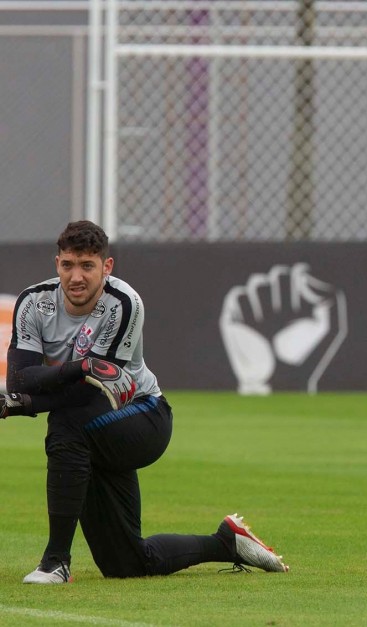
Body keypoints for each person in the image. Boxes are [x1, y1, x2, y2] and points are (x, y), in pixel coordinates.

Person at [1, 220, 289, 583]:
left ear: (107, 267)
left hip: (143, 416)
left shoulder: (124, 302)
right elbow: (21, 378)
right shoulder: (33, 302)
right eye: (68, 265)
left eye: (87, 265)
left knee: (65, 423)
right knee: (127, 564)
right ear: (57, 263)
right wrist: (79, 367)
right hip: (94, 432)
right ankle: (226, 543)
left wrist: (22, 404)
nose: (76, 277)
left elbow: (91, 391)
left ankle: (55, 561)